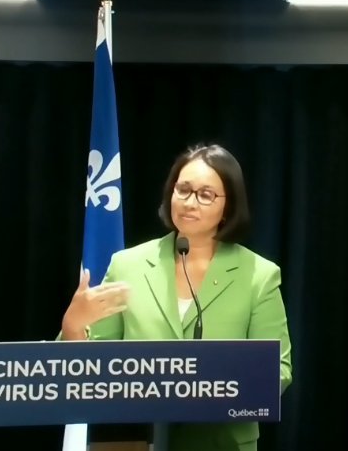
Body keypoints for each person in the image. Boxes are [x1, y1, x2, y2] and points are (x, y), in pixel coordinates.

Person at [59, 143, 293, 451]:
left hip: (220, 442)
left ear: (229, 206)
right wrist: (74, 326)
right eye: (183, 190)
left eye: (206, 194)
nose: (189, 202)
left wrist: (210, 390)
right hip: (133, 439)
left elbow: (278, 371)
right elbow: (91, 370)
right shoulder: (128, 265)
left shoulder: (258, 275)